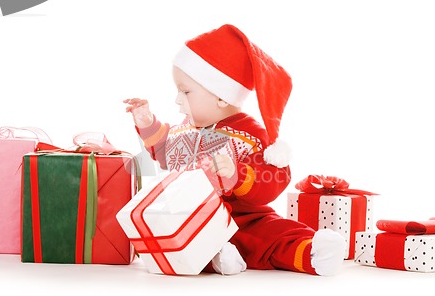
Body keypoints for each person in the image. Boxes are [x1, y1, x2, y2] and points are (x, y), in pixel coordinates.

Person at [124, 24, 346, 276]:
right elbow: (166, 152)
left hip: (245, 217)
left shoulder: (250, 134)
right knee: (177, 237)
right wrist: (147, 123)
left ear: (222, 96)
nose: (177, 100)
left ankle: (313, 253)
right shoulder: (186, 128)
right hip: (194, 215)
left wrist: (238, 175)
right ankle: (218, 258)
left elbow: (274, 177)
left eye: (185, 91)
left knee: (271, 234)